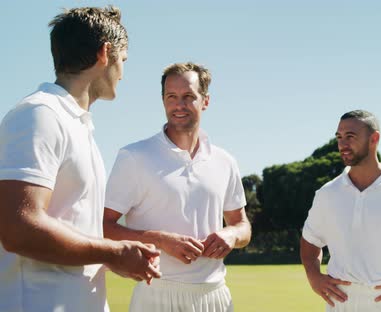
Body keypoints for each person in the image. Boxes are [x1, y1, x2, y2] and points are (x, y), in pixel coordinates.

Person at [0, 6, 161, 312]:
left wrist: (113, 259)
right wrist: (113, 252)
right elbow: (18, 228)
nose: (123, 73)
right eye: (123, 61)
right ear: (105, 53)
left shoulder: (78, 125)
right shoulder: (39, 114)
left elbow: (71, 229)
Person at [103, 62, 251, 312]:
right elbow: (104, 227)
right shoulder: (134, 156)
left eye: (188, 97)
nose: (179, 105)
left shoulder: (225, 161)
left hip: (215, 296)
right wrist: (159, 240)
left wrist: (231, 235)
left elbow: (243, 226)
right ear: (163, 101)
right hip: (156, 293)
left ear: (205, 101)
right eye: (171, 97)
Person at [300, 110, 381, 312]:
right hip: (341, 303)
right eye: (339, 138)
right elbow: (310, 241)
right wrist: (314, 276)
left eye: (350, 137)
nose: (342, 144)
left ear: (374, 139)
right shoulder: (327, 193)